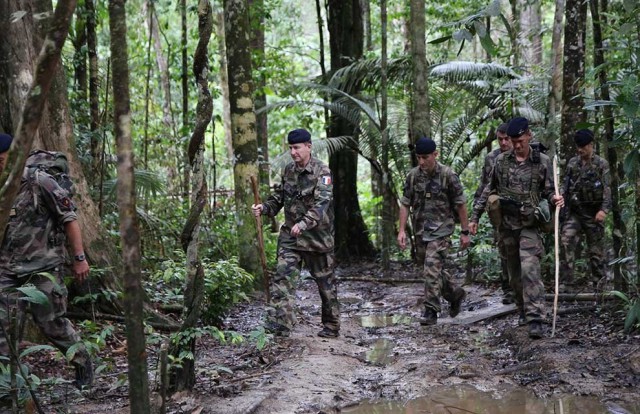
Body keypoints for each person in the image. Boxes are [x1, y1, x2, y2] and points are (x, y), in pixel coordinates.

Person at [0, 133, 93, 389]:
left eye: (2, 158)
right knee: (5, 331)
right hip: (7, 270)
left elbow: (69, 218)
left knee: (53, 325)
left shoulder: (40, 181)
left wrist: (79, 258)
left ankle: (83, 364)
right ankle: (9, 387)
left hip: (43, 268)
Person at [469, 117, 564, 339]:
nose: (517, 145)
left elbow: (549, 190)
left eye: (520, 140)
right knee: (514, 275)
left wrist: (556, 198)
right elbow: (487, 190)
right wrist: (475, 217)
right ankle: (522, 309)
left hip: (530, 224)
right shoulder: (501, 162)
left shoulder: (541, 161)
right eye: (513, 141)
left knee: (530, 268)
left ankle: (535, 318)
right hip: (507, 225)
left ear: (529, 135)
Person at [251, 128, 339, 338]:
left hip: (317, 238)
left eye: (297, 147)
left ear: (308, 146)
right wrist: (264, 208)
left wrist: (304, 223)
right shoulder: (288, 171)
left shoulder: (322, 172)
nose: (293, 152)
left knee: (325, 285)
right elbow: (279, 198)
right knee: (282, 278)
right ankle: (280, 325)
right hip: (291, 237)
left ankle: (332, 325)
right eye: (290, 148)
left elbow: (322, 204)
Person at [397, 137, 470, 326]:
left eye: (425, 157)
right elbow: (405, 204)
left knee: (431, 268)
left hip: (441, 231)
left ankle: (431, 310)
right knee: (432, 270)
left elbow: (460, 204)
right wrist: (402, 230)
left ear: (435, 155)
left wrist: (464, 231)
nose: (422, 162)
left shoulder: (448, 175)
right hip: (421, 232)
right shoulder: (413, 176)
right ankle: (455, 293)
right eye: (419, 158)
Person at [560, 129, 611, 287]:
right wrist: (561, 198)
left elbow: (607, 190)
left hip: (593, 212)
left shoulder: (601, 164)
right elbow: (566, 186)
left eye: (583, 146)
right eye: (578, 146)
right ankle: (566, 283)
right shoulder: (572, 163)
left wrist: (603, 210)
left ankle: (599, 283)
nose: (580, 150)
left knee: (596, 251)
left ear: (591, 145)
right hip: (575, 212)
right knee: (566, 241)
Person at [471, 123, 514, 304]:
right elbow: (484, 186)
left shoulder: (525, 156)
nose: (503, 143)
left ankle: (524, 290)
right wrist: (475, 215)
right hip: (500, 212)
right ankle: (509, 290)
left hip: (523, 211)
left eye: (507, 139)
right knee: (504, 250)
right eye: (500, 139)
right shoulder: (492, 158)